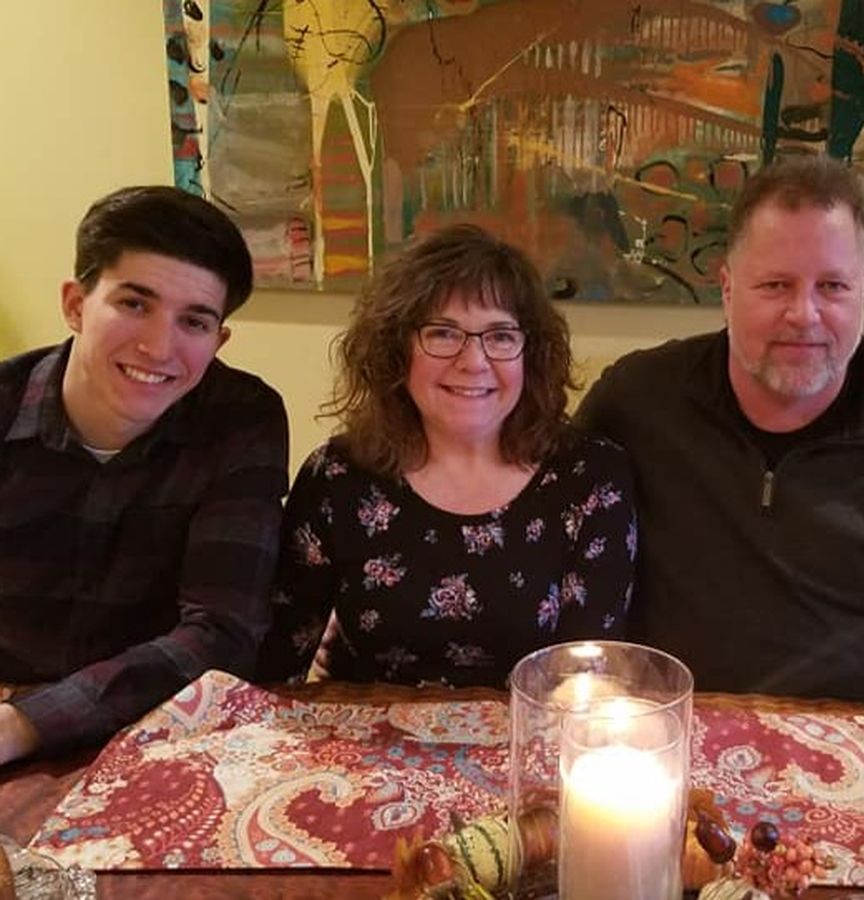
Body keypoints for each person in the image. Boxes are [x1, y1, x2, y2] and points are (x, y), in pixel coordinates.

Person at [575, 156, 864, 706]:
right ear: (728, 289)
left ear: (863, 290)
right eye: (776, 285)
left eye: (832, 286)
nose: (804, 314)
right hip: (662, 731)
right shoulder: (636, 400)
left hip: (853, 743)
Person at [258, 224, 636, 687]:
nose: (474, 361)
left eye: (500, 336)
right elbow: (277, 672)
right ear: (395, 349)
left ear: (531, 353)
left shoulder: (591, 478)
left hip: (534, 728)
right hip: (367, 728)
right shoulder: (335, 478)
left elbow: (587, 682)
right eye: (442, 333)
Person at [0, 185, 289, 765]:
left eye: (194, 322)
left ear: (218, 340)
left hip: (158, 733)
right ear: (75, 304)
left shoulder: (240, 421)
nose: (158, 347)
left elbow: (222, 634)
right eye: (134, 304)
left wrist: (25, 725)